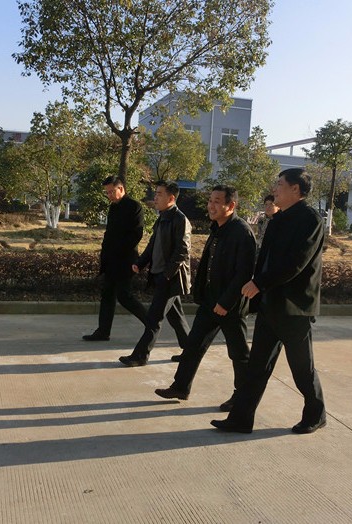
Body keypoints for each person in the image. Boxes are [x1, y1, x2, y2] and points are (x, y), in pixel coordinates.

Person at [211, 168, 327, 434]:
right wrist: (257, 289)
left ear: (295, 189)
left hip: (294, 307)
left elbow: (297, 262)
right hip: (270, 304)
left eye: (280, 184)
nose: (274, 189)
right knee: (256, 367)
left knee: (302, 368)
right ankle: (241, 419)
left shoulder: (310, 220)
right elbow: (264, 260)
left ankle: (316, 414)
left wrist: (260, 283)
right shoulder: (277, 220)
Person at [154, 185, 256, 410]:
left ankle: (242, 397)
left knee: (239, 354)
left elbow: (244, 273)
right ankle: (180, 387)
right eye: (210, 200)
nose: (211, 205)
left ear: (231, 205)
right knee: (193, 345)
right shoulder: (217, 228)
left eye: (217, 201)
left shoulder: (241, 232)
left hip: (230, 305)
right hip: (211, 300)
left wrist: (225, 302)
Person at [118, 181, 191, 367]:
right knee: (176, 317)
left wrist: (167, 275)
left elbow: (182, 251)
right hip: (161, 275)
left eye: (159, 194)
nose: (155, 197)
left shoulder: (179, 219)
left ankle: (140, 356)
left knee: (153, 319)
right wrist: (140, 263)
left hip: (170, 277)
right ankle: (191, 352)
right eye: (156, 193)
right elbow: (153, 244)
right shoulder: (162, 218)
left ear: (171, 198)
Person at [83, 176, 147, 341]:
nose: (109, 195)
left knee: (124, 296)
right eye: (107, 192)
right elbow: (110, 233)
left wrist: (119, 251)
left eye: (112, 191)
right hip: (110, 260)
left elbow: (136, 234)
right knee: (107, 295)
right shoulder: (113, 207)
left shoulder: (134, 206)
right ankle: (103, 332)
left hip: (125, 260)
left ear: (121, 188)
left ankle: (151, 323)